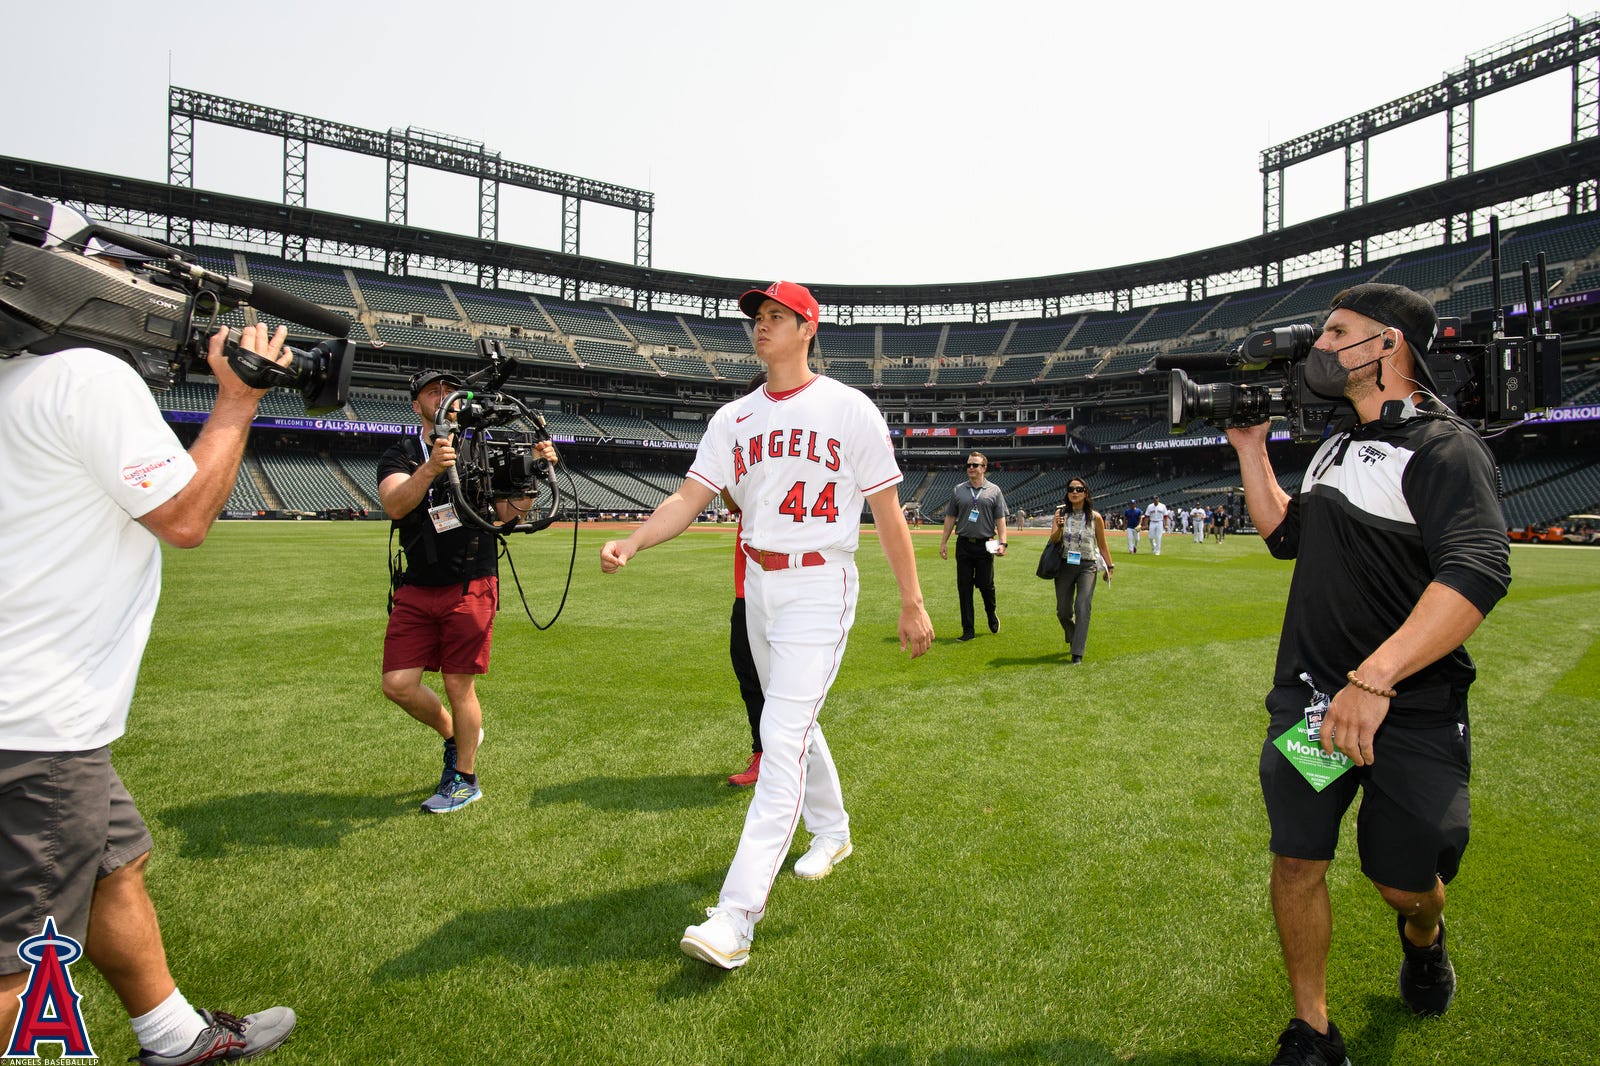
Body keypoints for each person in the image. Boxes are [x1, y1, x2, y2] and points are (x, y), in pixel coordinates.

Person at [600, 280, 933, 970]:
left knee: (779, 734)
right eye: (759, 317)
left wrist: (913, 600)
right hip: (758, 582)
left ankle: (736, 916)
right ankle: (832, 830)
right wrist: (634, 540)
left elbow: (888, 512)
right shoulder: (734, 417)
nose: (763, 326)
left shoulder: (849, 407)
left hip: (820, 579)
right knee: (793, 720)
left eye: (778, 317)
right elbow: (690, 496)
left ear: (809, 328)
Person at [1, 292, 297, 1061]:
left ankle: (174, 1037)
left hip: (33, 703)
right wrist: (237, 400)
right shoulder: (84, 376)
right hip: (38, 717)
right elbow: (186, 516)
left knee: (115, 863)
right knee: (19, 954)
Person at [1224, 283, 1510, 1065]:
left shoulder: (1444, 449)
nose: (1319, 345)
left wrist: (1377, 677)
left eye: (1335, 331)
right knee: (1297, 858)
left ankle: (1425, 935)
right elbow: (1288, 536)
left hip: (1407, 707)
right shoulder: (1336, 444)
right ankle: (1312, 1030)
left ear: (1387, 345)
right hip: (1313, 702)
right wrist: (1253, 451)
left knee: (1402, 883)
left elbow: (1480, 568)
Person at [378, 369, 558, 813]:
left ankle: (465, 777)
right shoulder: (401, 452)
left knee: (460, 685)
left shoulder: (484, 448)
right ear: (415, 404)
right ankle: (457, 736)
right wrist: (432, 467)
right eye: (431, 391)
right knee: (397, 684)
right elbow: (394, 504)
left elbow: (508, 515)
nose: (442, 397)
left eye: (448, 390)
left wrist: (531, 473)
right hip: (418, 583)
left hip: (471, 579)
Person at [721, 373, 767, 788]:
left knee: (790, 685)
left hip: (794, 585)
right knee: (749, 674)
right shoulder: (745, 446)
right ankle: (762, 752)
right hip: (747, 587)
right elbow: (732, 501)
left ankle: (788, 758)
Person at [938, 451, 1009, 640]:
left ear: (984, 468)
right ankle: (968, 630)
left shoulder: (994, 490)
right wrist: (944, 542)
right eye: (969, 465)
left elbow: (1000, 518)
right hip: (964, 544)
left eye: (975, 465)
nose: (971, 468)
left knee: (986, 584)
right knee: (964, 587)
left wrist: (1003, 542)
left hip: (986, 544)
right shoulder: (958, 490)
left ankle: (991, 613)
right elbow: (951, 516)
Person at [1048, 478, 1114, 664]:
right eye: (1071, 489)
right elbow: (1053, 540)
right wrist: (1060, 528)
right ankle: (1073, 635)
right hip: (1064, 565)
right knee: (1063, 611)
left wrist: (1110, 566)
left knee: (1083, 606)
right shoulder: (1060, 514)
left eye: (1079, 489)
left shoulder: (1095, 517)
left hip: (1087, 566)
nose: (1074, 492)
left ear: (1086, 492)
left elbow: (1102, 544)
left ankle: (1077, 652)